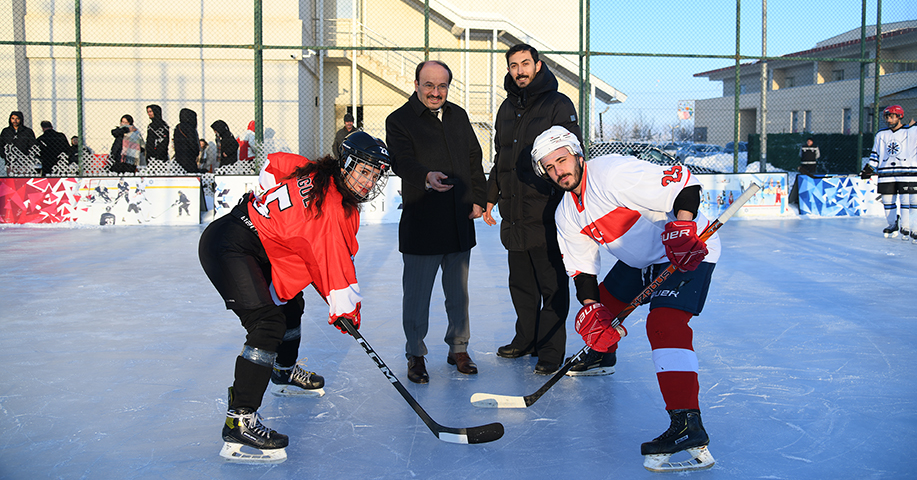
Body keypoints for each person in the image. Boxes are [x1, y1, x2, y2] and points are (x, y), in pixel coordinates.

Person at [531, 125, 719, 472]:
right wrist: (593, 311)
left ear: (576, 154)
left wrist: (683, 227)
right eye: (550, 166)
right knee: (603, 305)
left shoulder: (612, 174)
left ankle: (687, 423)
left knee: (664, 323)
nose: (559, 170)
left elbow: (686, 185)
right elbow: (582, 270)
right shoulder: (566, 213)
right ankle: (603, 356)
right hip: (640, 261)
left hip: (686, 249)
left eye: (562, 159)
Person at [198, 131, 391, 463]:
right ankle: (240, 419)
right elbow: (333, 267)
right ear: (345, 165)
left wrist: (262, 201)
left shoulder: (315, 170)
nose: (368, 182)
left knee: (291, 305)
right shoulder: (331, 209)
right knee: (266, 323)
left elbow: (275, 164)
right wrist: (346, 312)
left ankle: (283, 371)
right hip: (230, 246)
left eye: (375, 175)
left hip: (252, 243)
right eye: (363, 171)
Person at [385, 60, 487, 384]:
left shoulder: (457, 115)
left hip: (458, 219)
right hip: (422, 222)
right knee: (416, 296)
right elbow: (401, 161)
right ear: (416, 85)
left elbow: (474, 157)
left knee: (458, 294)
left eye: (442, 86)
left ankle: (459, 347)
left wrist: (478, 197)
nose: (435, 92)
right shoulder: (399, 120)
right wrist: (425, 177)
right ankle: (415, 353)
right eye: (428, 85)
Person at [482, 43, 578, 375]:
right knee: (522, 285)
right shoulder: (507, 109)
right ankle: (526, 339)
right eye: (513, 65)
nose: (520, 70)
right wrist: (491, 196)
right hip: (515, 214)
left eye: (525, 63)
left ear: (538, 66)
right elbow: (500, 161)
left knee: (551, 285)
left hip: (547, 213)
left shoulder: (558, 104)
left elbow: (570, 159)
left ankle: (551, 350)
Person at [860, 105, 916, 239]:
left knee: (907, 200)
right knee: (887, 200)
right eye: (887, 117)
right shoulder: (881, 134)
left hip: (906, 174)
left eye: (891, 117)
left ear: (900, 116)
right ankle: (892, 224)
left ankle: (908, 227)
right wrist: (868, 169)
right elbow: (875, 154)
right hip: (886, 174)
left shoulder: (911, 131)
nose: (889, 120)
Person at [173, 108, 200, 174]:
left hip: (179, 157)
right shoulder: (190, 128)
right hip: (189, 158)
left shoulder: (178, 127)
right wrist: (196, 152)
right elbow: (193, 142)